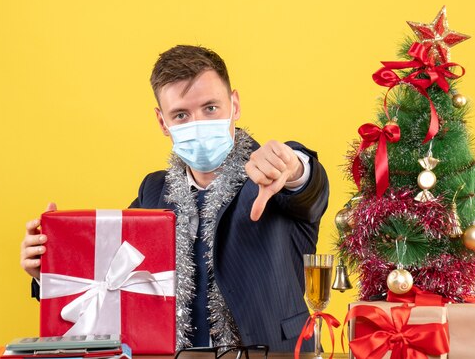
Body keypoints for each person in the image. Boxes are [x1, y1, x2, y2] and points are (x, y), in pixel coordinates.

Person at [20, 45, 329, 351]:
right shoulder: (153, 191)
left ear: (234, 105)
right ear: (162, 123)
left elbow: (309, 190)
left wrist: (295, 168)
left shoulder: (272, 174)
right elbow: (109, 276)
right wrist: (49, 269)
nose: (198, 123)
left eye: (210, 108)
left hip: (272, 353)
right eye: (181, 115)